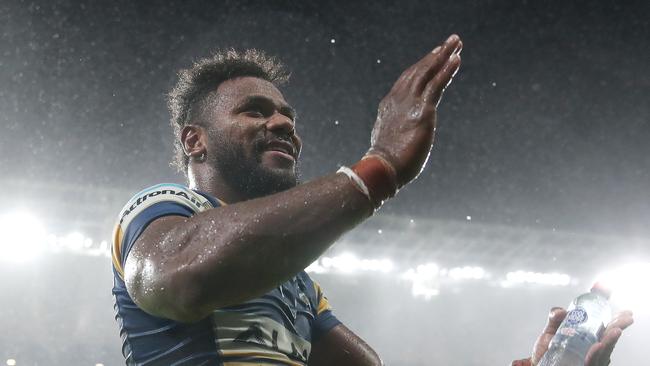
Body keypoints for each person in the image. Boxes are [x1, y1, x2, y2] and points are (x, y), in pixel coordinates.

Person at [110, 34, 631, 365]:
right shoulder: (161, 209)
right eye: (254, 110)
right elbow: (181, 280)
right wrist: (378, 166)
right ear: (193, 140)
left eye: (289, 116)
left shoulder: (296, 286)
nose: (283, 124)